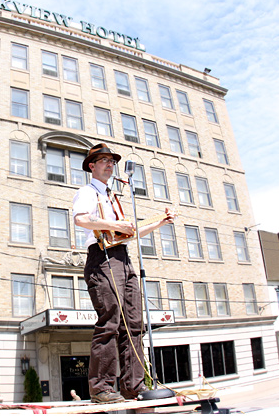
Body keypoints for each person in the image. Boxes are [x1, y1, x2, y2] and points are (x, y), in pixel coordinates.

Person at [72, 143, 175, 403]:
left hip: (123, 259)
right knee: (110, 323)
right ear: (91, 166)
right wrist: (113, 224)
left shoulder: (114, 198)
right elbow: (80, 219)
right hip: (102, 258)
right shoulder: (87, 192)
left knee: (134, 325)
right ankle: (102, 388)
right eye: (103, 160)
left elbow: (130, 233)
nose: (109, 164)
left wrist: (160, 223)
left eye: (111, 161)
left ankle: (133, 385)